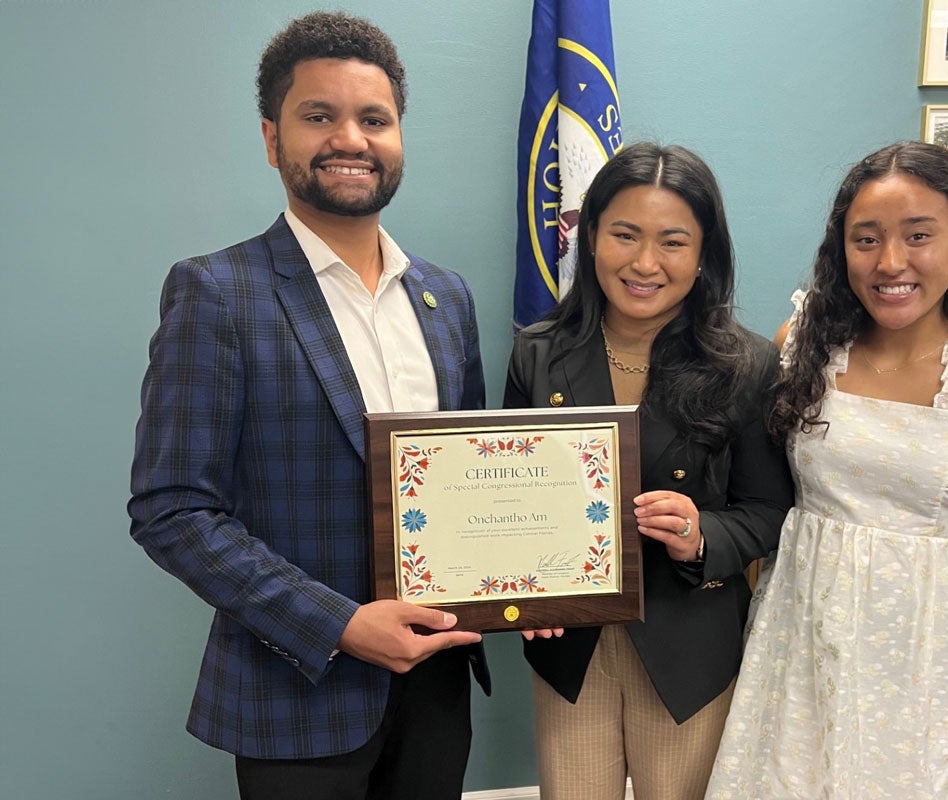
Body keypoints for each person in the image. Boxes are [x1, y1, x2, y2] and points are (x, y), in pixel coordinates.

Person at [128, 12, 489, 800]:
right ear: (272, 138)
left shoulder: (446, 299)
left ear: (399, 136)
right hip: (295, 697)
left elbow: (475, 484)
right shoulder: (217, 293)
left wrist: (521, 587)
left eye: (374, 119)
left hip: (436, 692)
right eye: (318, 116)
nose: (350, 139)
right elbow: (172, 508)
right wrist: (338, 624)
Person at [706, 141, 948, 799]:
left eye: (918, 236)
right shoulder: (804, 343)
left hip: (931, 648)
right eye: (866, 239)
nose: (891, 262)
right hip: (802, 635)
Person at [505, 142, 793, 800]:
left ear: (703, 253)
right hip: (570, 650)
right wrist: (515, 589)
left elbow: (770, 511)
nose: (644, 263)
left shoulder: (747, 366)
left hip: (690, 647)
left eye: (672, 242)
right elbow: (509, 496)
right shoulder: (538, 353)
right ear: (593, 237)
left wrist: (701, 536)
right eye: (624, 235)